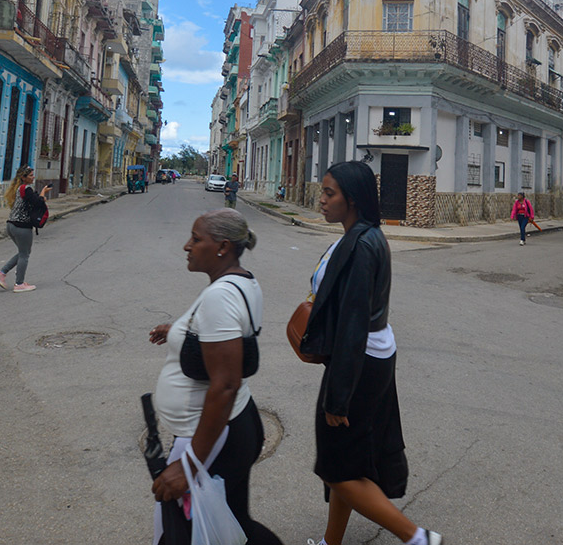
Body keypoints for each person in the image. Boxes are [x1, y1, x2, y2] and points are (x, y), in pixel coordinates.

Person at [301, 161, 443, 545]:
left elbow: (352, 324)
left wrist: (338, 398)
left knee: (337, 469)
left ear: (353, 199)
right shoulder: (362, 236)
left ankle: (418, 539)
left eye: (329, 193)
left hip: (359, 362)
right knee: (345, 463)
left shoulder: (361, 245)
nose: (322, 200)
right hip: (368, 357)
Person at [148, 209, 282, 545]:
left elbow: (224, 384)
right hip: (236, 425)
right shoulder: (240, 281)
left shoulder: (220, 296)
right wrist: (178, 330)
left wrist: (190, 464)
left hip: (215, 435)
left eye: (195, 239)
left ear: (222, 247)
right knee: (231, 522)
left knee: (191, 532)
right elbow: (220, 334)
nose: (186, 246)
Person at [0, 166, 50, 293]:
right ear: (23, 178)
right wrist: (43, 193)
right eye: (30, 175)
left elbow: (34, 201)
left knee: (23, 252)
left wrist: (41, 196)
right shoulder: (26, 188)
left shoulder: (19, 188)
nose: (33, 177)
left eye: (33, 174)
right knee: (24, 255)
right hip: (22, 226)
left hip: (11, 225)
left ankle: (2, 273)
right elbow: (38, 202)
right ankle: (19, 283)